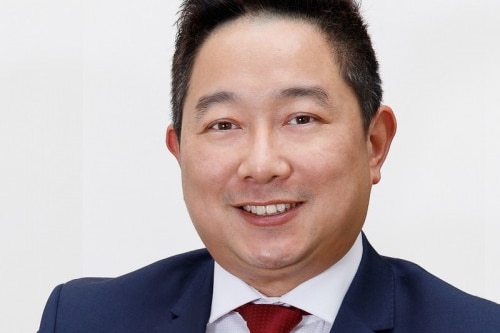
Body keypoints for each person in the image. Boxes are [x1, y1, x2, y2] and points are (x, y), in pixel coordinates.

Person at [38, 0, 500, 332]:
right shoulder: (82, 318)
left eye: (301, 118)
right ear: (179, 152)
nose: (261, 165)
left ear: (374, 144)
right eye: (224, 124)